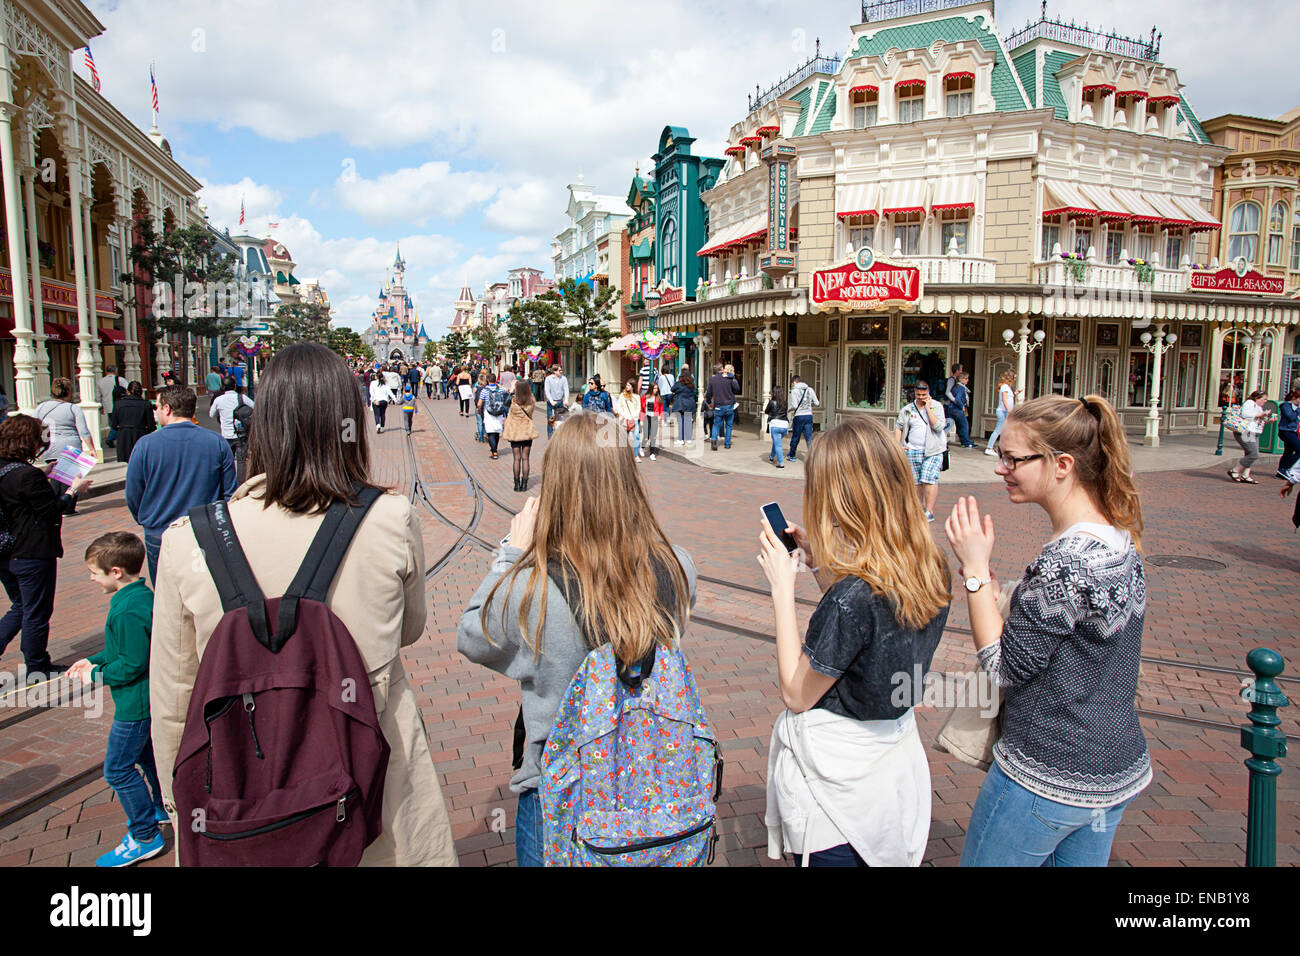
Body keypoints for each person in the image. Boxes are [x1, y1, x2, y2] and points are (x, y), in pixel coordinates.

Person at [149, 344, 457, 866]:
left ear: (264, 423)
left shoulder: (190, 540)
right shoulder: (389, 518)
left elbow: (174, 697)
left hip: (243, 804)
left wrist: (183, 808)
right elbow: (409, 629)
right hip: (374, 784)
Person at [456, 413, 697, 867]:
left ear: (558, 487)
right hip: (653, 785)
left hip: (560, 787)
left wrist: (510, 552)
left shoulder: (533, 589)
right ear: (628, 479)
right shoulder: (678, 566)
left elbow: (472, 635)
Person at [945, 394, 1149, 867]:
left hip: (1050, 773)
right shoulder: (1119, 538)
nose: (1002, 468)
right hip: (1113, 767)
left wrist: (975, 571)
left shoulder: (1066, 560)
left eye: (1013, 458)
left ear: (1061, 465)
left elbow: (1003, 666)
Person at [758, 416, 950, 867]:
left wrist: (782, 588)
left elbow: (796, 692)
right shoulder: (929, 565)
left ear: (841, 500)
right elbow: (870, 636)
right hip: (893, 778)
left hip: (838, 801)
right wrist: (819, 564)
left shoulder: (853, 597)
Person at [67, 532, 169, 867]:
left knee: (117, 769)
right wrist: (94, 659)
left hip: (134, 705)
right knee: (148, 759)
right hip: (143, 700)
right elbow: (123, 649)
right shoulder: (138, 596)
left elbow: (130, 663)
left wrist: (96, 675)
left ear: (116, 572)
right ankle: (161, 807)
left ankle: (144, 835)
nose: (91, 578)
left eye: (95, 572)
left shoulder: (127, 609)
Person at [0, 415, 92, 681]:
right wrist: (73, 489)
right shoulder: (26, 475)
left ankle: (35, 659)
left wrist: (43, 474)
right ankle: (37, 663)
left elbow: (15, 493)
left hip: (6, 552)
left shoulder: (12, 471)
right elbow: (51, 511)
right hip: (31, 552)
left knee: (20, 606)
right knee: (36, 611)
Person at [125, 386, 237, 584]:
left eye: (157, 407)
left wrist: (147, 519)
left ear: (167, 409)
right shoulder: (217, 443)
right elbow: (229, 494)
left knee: (165, 596)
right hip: (204, 532)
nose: (155, 412)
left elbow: (134, 494)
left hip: (160, 531)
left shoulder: (145, 445)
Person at [894, 379, 947, 522]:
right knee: (916, 482)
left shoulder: (937, 406)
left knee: (929, 479)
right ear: (914, 394)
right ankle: (918, 508)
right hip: (912, 450)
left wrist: (928, 409)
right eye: (918, 395)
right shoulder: (907, 409)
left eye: (924, 395)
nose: (921, 397)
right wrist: (898, 444)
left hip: (933, 450)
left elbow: (939, 427)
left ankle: (929, 511)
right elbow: (899, 427)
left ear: (928, 393)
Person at [35, 378, 95, 496]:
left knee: (55, 476)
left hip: (49, 446)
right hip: (70, 446)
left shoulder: (41, 407)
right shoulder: (73, 408)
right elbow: (84, 431)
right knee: (69, 479)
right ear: (69, 391)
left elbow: (34, 425)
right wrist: (91, 448)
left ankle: (57, 504)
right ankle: (67, 505)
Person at [209, 376, 254, 474]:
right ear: (234, 386)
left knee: (227, 461)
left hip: (225, 435)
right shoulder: (241, 397)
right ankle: (240, 484)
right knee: (241, 461)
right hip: (240, 434)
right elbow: (255, 407)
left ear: (223, 387)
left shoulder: (218, 400)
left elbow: (211, 415)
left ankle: (229, 482)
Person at [1228, 389, 1273, 484]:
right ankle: (1235, 470)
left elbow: (1259, 418)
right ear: (1257, 398)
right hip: (1246, 431)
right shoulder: (1249, 403)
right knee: (1253, 454)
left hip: (1254, 432)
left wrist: (1268, 419)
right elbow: (1246, 415)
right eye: (1264, 399)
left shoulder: (1259, 407)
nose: (1265, 401)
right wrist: (1261, 414)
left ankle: (1245, 474)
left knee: (1250, 453)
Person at [503, 380, 539, 491]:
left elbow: (505, 403)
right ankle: (525, 484)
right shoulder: (531, 400)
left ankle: (516, 484)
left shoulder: (513, 400)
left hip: (515, 431)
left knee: (516, 459)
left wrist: (513, 389)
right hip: (527, 431)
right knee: (526, 458)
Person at [111, 382, 156, 464]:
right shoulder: (146, 404)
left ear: (128, 391)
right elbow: (151, 426)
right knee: (140, 461)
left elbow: (114, 424)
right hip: (140, 434)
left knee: (127, 461)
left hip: (123, 436)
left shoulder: (118, 404)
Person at [705, 362, 741, 451]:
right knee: (729, 425)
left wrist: (709, 402)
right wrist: (732, 377)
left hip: (718, 405)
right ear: (722, 369)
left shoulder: (712, 380)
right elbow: (737, 390)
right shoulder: (729, 378)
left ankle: (714, 439)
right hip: (729, 405)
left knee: (716, 424)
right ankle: (727, 444)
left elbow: (708, 393)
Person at [787, 374, 820, 461]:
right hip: (809, 415)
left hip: (799, 416)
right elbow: (817, 403)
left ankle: (792, 455)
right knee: (808, 437)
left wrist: (789, 409)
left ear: (794, 382)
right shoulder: (810, 389)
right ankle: (812, 455)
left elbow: (794, 405)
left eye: (792, 383)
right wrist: (808, 405)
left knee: (796, 436)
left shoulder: (794, 391)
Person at [985, 370, 1016, 455]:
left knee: (1004, 430)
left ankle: (1002, 447)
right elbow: (1004, 399)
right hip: (1003, 412)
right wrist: (1009, 410)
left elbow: (1008, 398)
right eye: (1014, 377)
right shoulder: (1005, 387)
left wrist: (1016, 393)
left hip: (1004, 411)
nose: (1015, 379)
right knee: (998, 430)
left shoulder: (1006, 387)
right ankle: (989, 448)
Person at [99, 366, 129, 450]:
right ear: (115, 371)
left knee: (113, 423)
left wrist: (101, 406)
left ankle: (112, 438)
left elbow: (98, 395)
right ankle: (110, 438)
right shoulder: (120, 380)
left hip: (107, 406)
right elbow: (128, 389)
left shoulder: (100, 381)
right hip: (119, 404)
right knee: (118, 424)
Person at [479, 373, 506, 460]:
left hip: (489, 412)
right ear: (495, 380)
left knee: (490, 432)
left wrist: (479, 410)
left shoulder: (485, 390)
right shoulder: (500, 389)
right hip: (498, 412)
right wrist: (498, 385)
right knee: (497, 431)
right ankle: (495, 449)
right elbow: (508, 390)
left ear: (488, 380)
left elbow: (479, 403)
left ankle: (494, 451)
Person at [614, 379, 642, 460]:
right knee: (623, 437)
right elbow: (618, 406)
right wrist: (624, 415)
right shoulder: (622, 395)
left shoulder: (637, 397)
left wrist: (633, 416)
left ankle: (636, 455)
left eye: (629, 385)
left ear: (633, 387)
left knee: (636, 436)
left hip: (634, 419)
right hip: (624, 419)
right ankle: (623, 455)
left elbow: (638, 408)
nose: (627, 387)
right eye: (626, 385)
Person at [948, 371, 976, 449]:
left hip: (952, 408)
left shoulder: (957, 386)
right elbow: (957, 398)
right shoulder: (960, 388)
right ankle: (966, 442)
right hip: (957, 409)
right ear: (961, 379)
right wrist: (961, 406)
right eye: (966, 378)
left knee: (959, 425)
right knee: (964, 425)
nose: (967, 380)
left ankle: (964, 441)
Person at [1276, 389, 1300, 479]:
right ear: (1294, 398)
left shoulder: (1296, 407)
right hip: (1286, 431)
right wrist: (1298, 410)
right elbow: (1290, 417)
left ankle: (1280, 471)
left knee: (1288, 452)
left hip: (1293, 431)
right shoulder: (1285, 405)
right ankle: (1285, 468)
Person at [670, 368, 697, 446]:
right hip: (689, 404)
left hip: (680, 404)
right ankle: (688, 439)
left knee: (680, 422)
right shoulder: (691, 384)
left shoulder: (678, 384)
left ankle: (681, 439)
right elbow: (694, 392)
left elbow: (672, 389)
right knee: (688, 421)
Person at [765, 385, 790, 468]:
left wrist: (770, 402)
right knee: (776, 442)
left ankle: (781, 463)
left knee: (778, 445)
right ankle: (772, 457)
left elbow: (766, 411)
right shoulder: (785, 402)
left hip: (775, 424)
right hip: (784, 425)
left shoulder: (772, 402)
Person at [544, 364, 569, 438]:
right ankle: (550, 438)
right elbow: (547, 390)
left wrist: (566, 400)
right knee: (551, 420)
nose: (561, 371)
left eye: (561, 370)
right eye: (559, 370)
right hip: (551, 403)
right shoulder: (548, 379)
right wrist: (551, 400)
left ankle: (560, 437)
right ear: (554, 371)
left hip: (560, 402)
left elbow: (566, 390)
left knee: (561, 420)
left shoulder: (563, 379)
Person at [640, 381, 664, 461]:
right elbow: (642, 409)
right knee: (646, 436)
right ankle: (642, 448)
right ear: (650, 389)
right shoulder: (644, 397)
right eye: (654, 388)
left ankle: (652, 453)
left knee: (653, 437)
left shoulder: (658, 398)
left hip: (655, 417)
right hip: (647, 417)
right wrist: (642, 420)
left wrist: (662, 419)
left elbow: (661, 409)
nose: (656, 390)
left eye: (657, 388)